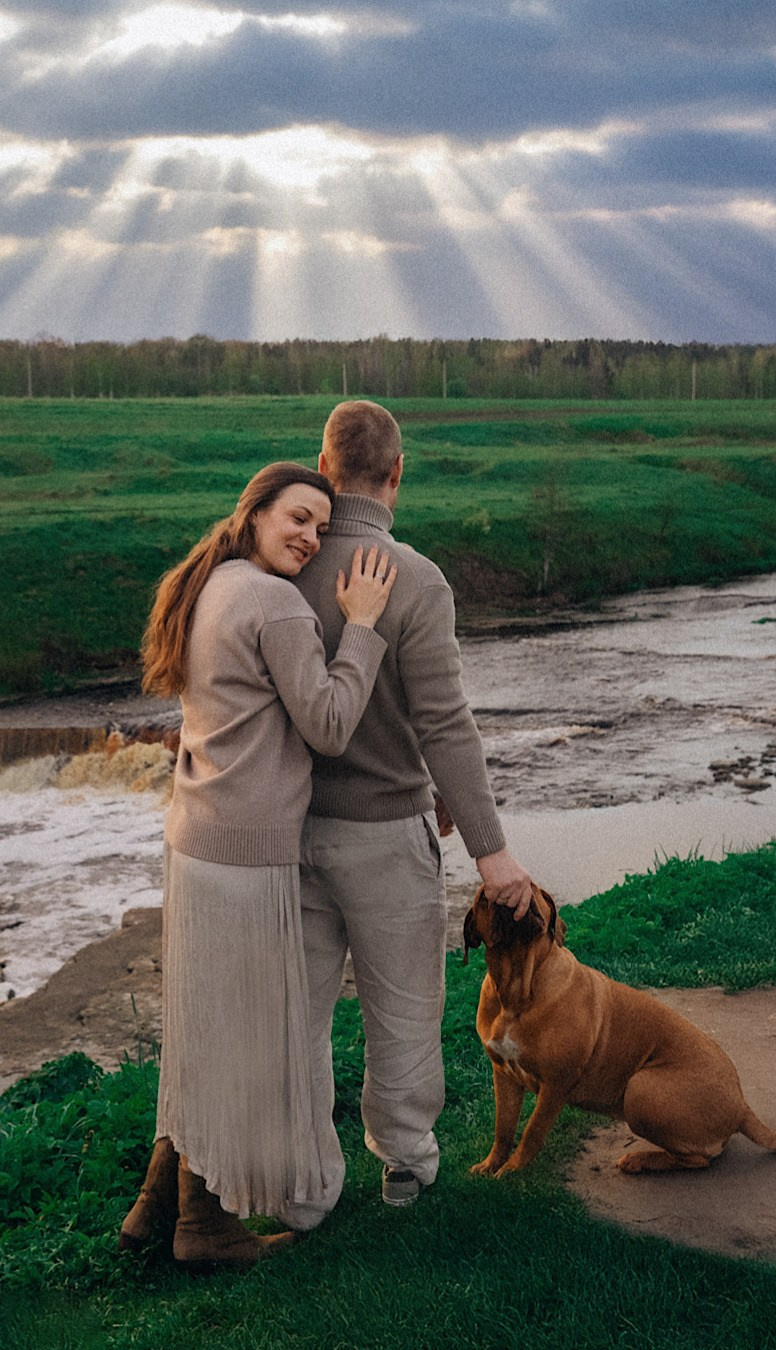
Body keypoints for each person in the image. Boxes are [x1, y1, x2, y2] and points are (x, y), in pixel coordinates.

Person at [119, 461, 396, 1268]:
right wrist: (363, 626)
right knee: (236, 1041)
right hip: (243, 856)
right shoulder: (275, 602)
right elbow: (330, 725)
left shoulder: (210, 584)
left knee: (199, 1031)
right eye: (297, 518)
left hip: (196, 839)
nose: (309, 538)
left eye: (320, 526)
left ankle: (154, 1206)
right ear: (255, 513)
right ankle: (204, 1225)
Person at [287, 400, 532, 1222]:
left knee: (299, 1018)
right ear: (397, 474)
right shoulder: (417, 579)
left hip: (291, 831)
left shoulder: (279, 566)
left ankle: (303, 1191)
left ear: (324, 468)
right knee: (401, 1012)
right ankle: (405, 1167)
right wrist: (491, 851)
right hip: (389, 835)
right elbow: (443, 724)